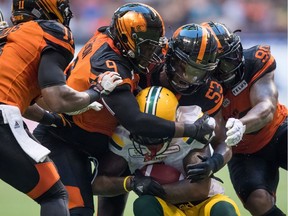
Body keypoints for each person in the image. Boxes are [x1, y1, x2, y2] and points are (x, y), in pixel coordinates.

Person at [32, 3, 216, 216]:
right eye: (147, 47)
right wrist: (191, 130)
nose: (152, 53)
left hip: (102, 137)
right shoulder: (109, 65)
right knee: (78, 211)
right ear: (127, 40)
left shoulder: (114, 40)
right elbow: (135, 121)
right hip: (66, 137)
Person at [97, 23, 239, 216]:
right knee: (116, 187)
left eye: (199, 72)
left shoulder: (207, 93)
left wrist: (214, 163)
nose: (189, 78)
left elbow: (222, 141)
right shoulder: (144, 69)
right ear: (170, 56)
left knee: (199, 177)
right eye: (184, 67)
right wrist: (130, 182)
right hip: (133, 131)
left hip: (181, 146)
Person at [0, 1, 121, 215]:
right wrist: (96, 90)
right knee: (54, 194)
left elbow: (25, 103)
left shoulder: (10, 37)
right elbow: (57, 99)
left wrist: (53, 120)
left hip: (7, 108)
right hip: (3, 114)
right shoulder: (51, 32)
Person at [92, 86, 241, 216]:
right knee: (145, 205)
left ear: (174, 125)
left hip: (205, 202)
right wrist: (131, 182)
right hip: (167, 208)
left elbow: (199, 189)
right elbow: (96, 183)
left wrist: (152, 189)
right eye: (144, 138)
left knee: (223, 210)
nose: (151, 146)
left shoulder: (192, 125)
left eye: (158, 137)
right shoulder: (123, 137)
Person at [202, 21, 287, 216]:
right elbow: (218, 135)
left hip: (278, 129)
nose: (232, 64)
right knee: (257, 201)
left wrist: (241, 124)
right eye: (223, 61)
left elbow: (266, 108)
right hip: (243, 152)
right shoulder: (201, 87)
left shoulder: (255, 60)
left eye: (232, 56)